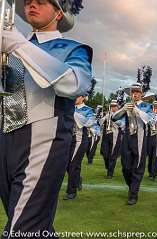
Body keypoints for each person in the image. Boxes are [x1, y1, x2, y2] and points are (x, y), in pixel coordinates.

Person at [0, 0, 92, 236]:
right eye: (28, 1)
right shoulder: (8, 44)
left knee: (21, 228)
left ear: (59, 12)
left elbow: (75, 84)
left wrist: (18, 45)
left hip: (44, 138)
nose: (32, 4)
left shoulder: (72, 48)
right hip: (5, 138)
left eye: (41, 1)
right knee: (30, 223)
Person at [112, 82, 152, 205]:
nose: (135, 94)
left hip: (139, 136)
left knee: (138, 165)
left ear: (141, 94)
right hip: (127, 136)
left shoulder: (146, 106)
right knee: (125, 166)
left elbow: (148, 119)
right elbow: (114, 117)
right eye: (133, 92)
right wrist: (123, 109)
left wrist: (137, 110)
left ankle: (133, 194)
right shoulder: (127, 105)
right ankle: (132, 186)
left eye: (137, 92)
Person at [64, 85, 100, 200]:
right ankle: (77, 179)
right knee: (67, 164)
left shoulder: (88, 110)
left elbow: (89, 123)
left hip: (80, 139)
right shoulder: (69, 107)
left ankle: (71, 191)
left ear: (83, 97)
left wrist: (73, 114)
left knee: (73, 164)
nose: (75, 98)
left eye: (78, 96)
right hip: (68, 138)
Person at [100, 100, 124, 179]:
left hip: (115, 135)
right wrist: (105, 117)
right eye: (112, 106)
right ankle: (108, 166)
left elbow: (122, 124)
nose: (113, 108)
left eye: (114, 106)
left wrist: (114, 118)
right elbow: (99, 123)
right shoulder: (107, 114)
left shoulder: (121, 115)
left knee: (112, 155)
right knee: (105, 153)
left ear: (117, 107)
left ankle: (110, 173)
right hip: (106, 135)